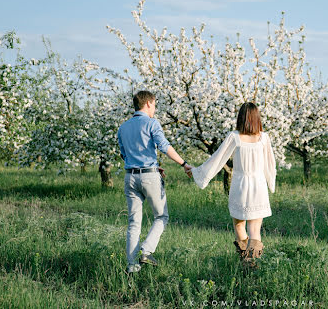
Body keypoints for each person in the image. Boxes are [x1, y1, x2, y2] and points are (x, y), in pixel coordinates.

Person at [188, 102, 276, 266]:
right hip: (258, 186)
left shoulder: (234, 137)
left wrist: (198, 172)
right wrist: (271, 182)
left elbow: (217, 159)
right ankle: (252, 264)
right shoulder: (264, 138)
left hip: (239, 186)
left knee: (239, 225)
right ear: (257, 118)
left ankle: (245, 259)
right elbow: (270, 164)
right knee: (255, 229)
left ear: (240, 118)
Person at [117, 90, 192, 273]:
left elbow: (124, 154)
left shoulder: (123, 127)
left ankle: (132, 267)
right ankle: (146, 250)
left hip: (130, 177)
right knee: (161, 216)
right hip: (149, 177)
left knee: (134, 222)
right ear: (149, 103)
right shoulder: (152, 123)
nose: (155, 108)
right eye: (155, 104)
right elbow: (164, 146)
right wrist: (184, 163)